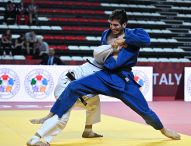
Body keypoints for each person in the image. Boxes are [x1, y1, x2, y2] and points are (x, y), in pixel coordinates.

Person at [27, 9, 180, 146]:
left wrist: (124, 40)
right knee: (74, 86)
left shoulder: (134, 33)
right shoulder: (105, 34)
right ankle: (54, 115)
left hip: (123, 80)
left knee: (144, 110)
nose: (112, 28)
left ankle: (163, 129)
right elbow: (104, 58)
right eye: (111, 24)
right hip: (105, 76)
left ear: (124, 24)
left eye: (116, 25)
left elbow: (146, 40)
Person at [27, 45, 117, 146]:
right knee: (62, 117)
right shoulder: (103, 68)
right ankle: (35, 139)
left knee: (94, 102)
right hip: (68, 87)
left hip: (70, 83)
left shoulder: (97, 60)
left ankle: (88, 131)